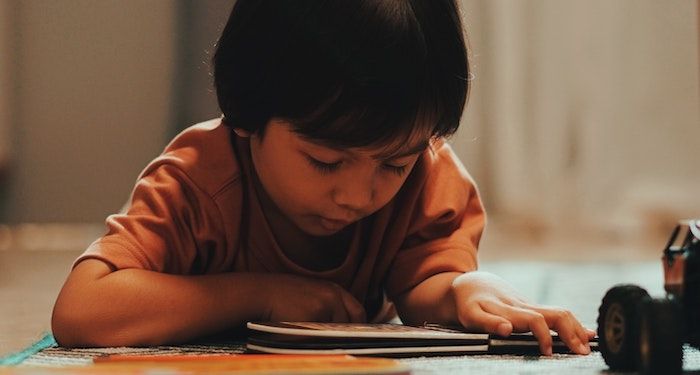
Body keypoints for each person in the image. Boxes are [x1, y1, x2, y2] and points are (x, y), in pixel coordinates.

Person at [51, 0, 595, 355]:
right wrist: (258, 295)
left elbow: (421, 285)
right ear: (247, 114)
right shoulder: (199, 180)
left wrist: (466, 290)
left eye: (393, 164)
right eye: (325, 162)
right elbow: (83, 311)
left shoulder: (428, 175)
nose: (358, 195)